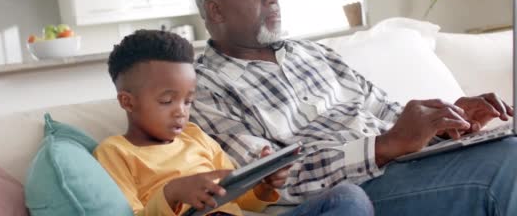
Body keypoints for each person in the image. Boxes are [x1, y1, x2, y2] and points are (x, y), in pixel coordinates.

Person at [190, 0, 517, 215]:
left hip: (408, 165)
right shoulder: (203, 87)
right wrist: (383, 146)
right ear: (216, 10)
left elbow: (388, 113)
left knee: (508, 147)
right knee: (507, 167)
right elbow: (265, 183)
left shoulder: (313, 53)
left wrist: (445, 125)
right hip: (349, 195)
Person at [94, 29, 374, 216]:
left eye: (188, 101)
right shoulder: (115, 152)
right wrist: (173, 192)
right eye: (167, 101)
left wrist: (264, 184)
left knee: (348, 197)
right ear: (128, 102)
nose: (181, 112)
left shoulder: (195, 137)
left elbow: (241, 199)